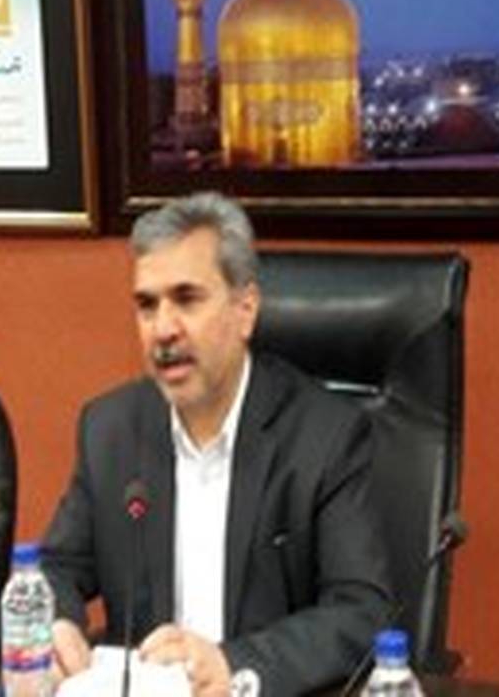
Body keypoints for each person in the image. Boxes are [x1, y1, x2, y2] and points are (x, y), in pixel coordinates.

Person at [41, 192, 393, 696]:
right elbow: (56, 567)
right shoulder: (111, 430)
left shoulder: (325, 437)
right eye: (147, 305)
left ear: (245, 309)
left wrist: (234, 665)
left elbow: (362, 612)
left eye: (187, 299)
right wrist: (56, 624)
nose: (163, 329)